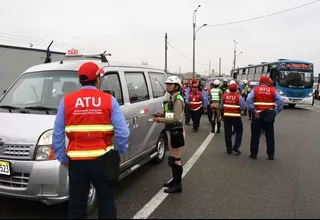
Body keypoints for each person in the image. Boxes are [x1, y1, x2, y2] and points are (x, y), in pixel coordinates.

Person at [52, 61, 130, 219]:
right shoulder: (109, 100)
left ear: (80, 80)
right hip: (103, 160)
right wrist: (121, 151)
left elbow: (57, 134)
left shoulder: (66, 101)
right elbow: (122, 132)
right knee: (106, 203)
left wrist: (62, 157)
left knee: (76, 206)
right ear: (98, 79)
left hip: (77, 162)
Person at [153, 75, 185, 193]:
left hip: (175, 131)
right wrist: (162, 115)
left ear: (176, 86)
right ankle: (174, 180)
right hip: (170, 130)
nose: (167, 86)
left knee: (175, 159)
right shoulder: (172, 98)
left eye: (170, 84)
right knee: (172, 158)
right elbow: (171, 114)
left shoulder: (177, 99)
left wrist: (160, 120)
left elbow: (177, 118)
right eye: (167, 84)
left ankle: (177, 184)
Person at [246, 75, 284, 160]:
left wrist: (254, 110)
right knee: (270, 136)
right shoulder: (272, 90)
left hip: (258, 115)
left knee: (255, 135)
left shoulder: (255, 90)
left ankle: (254, 154)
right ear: (267, 82)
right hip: (269, 115)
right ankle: (271, 155)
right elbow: (281, 101)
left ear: (260, 82)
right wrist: (275, 112)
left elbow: (248, 100)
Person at [221, 83, 247, 154]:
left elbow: (221, 106)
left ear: (229, 89)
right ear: (236, 89)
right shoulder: (238, 97)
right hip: (236, 117)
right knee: (239, 131)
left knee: (227, 133)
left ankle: (228, 148)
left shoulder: (225, 96)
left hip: (227, 116)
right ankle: (236, 147)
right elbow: (243, 107)